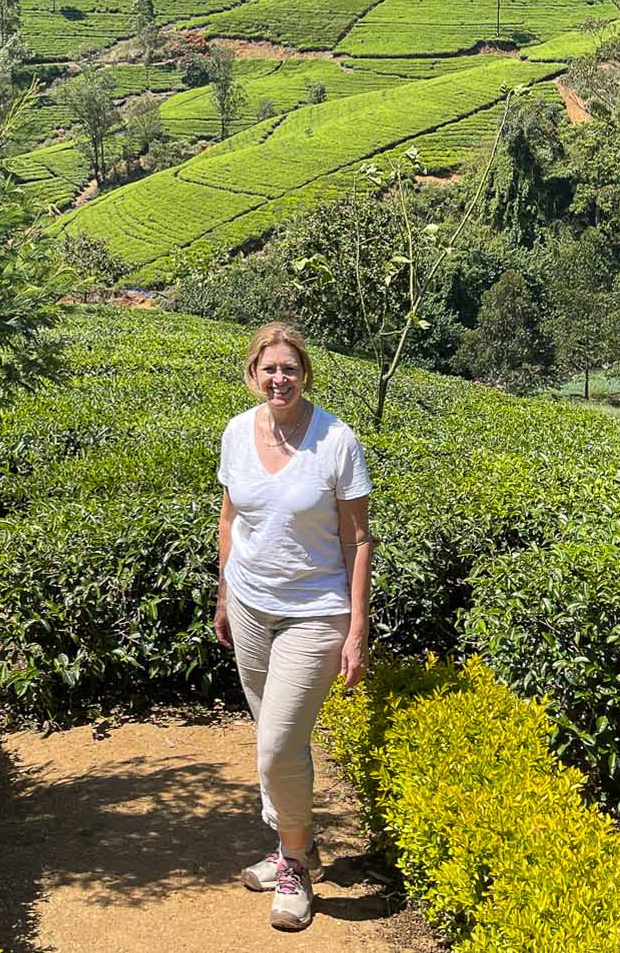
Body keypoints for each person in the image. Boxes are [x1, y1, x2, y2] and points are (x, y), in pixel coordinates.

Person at [214, 322, 372, 933]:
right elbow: (231, 517)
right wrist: (225, 592)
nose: (279, 378)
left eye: (290, 368)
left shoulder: (336, 441)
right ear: (253, 373)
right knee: (274, 738)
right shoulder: (235, 431)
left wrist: (357, 628)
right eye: (268, 368)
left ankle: (297, 866)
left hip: (315, 611)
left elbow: (358, 538)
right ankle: (288, 845)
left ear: (305, 373)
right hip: (252, 605)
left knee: (277, 744)